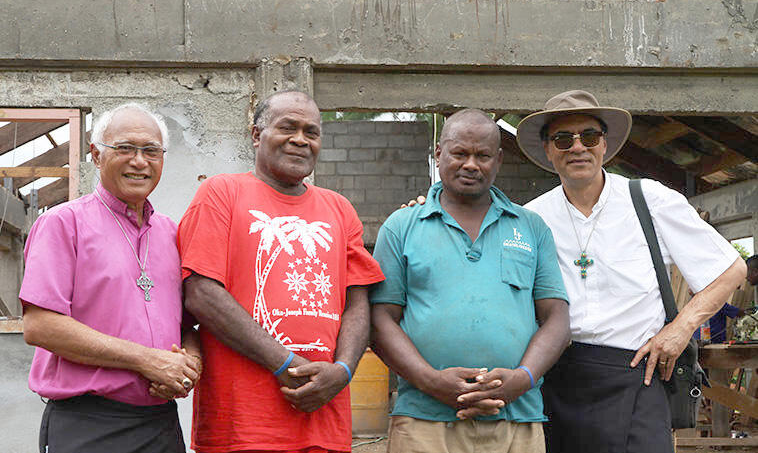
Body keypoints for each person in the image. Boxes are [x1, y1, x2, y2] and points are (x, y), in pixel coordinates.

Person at [515, 90, 747, 453]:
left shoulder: (649, 200)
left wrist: (680, 329)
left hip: (638, 373)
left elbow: (731, 269)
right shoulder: (531, 218)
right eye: (563, 138)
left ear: (604, 144)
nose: (577, 147)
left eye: (589, 136)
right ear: (547, 149)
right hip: (559, 378)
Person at [178, 90, 385, 453]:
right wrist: (284, 363)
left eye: (311, 132)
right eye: (287, 127)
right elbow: (201, 293)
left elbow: (357, 302)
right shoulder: (221, 194)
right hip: (242, 427)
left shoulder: (339, 209)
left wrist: (343, 371)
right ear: (257, 134)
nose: (300, 139)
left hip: (323, 422)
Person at [371, 109, 570, 453]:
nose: (471, 164)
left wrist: (521, 380)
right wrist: (431, 381)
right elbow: (379, 320)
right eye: (460, 153)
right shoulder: (402, 226)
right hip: (425, 422)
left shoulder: (530, 227)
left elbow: (557, 319)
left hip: (516, 420)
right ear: (438, 153)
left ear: (499, 159)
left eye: (483, 155)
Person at [20, 103, 202, 453]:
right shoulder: (62, 224)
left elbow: (187, 325)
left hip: (161, 421)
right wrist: (149, 360)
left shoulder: (171, 233)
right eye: (125, 149)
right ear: (96, 155)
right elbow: (40, 326)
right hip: (89, 423)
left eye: (151, 150)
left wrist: (188, 365)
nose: (139, 161)